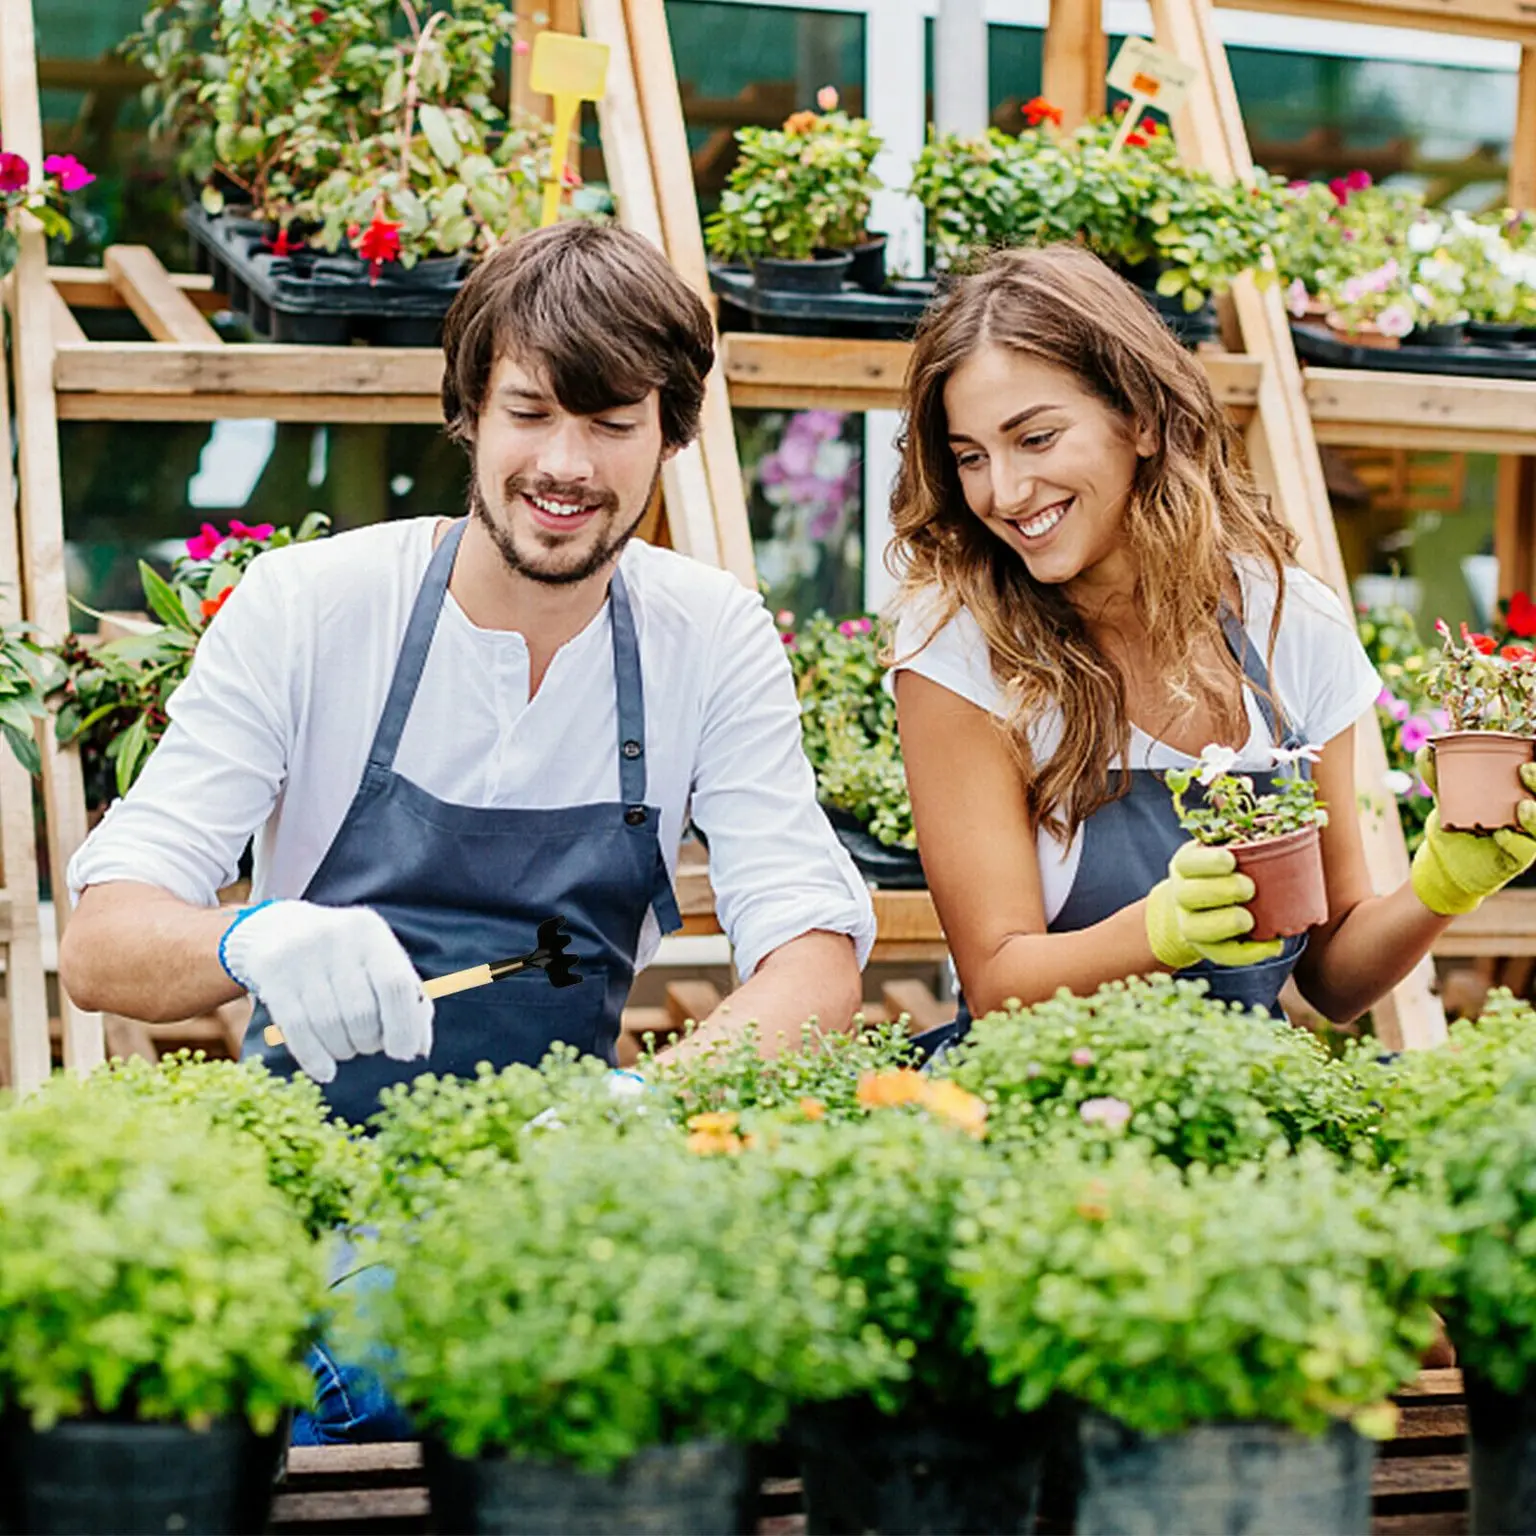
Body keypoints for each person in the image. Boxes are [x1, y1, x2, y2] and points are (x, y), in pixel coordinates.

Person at [61, 220, 874, 1116]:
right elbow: (103, 946)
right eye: (529, 414)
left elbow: (814, 956)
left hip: (560, 1173)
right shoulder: (313, 606)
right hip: (310, 1172)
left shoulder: (709, 635)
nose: (565, 466)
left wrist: (647, 1101)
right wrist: (250, 938)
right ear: (468, 414)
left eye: (611, 424)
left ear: (671, 438)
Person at [888, 243, 1536, 1029]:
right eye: (970, 458)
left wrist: (1442, 883)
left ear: (1144, 421)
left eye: (1037, 439)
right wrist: (1165, 928)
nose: (1006, 490)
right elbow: (996, 982)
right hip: (1040, 1111)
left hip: (1242, 1104)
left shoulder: (1289, 621)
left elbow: (1332, 977)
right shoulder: (961, 643)